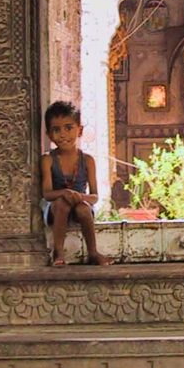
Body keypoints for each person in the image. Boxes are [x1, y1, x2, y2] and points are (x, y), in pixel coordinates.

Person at [40, 100, 111, 267]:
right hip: (55, 208)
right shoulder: (48, 160)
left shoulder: (87, 160)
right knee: (62, 204)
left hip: (79, 204)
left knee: (83, 208)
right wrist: (64, 193)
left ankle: (93, 252)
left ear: (80, 130)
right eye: (56, 130)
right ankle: (58, 251)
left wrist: (79, 197)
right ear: (49, 134)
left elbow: (94, 197)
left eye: (68, 128)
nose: (63, 134)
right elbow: (47, 193)